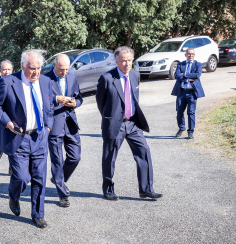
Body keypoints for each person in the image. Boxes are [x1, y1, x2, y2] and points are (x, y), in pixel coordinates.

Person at [0, 50, 53, 229]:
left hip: (40, 136)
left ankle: (38, 214)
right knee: (22, 177)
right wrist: (8, 123)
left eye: (39, 68)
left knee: (40, 178)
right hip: (18, 138)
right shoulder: (8, 82)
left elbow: (50, 106)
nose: (36, 72)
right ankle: (13, 196)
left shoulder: (46, 81)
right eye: (32, 68)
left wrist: (48, 126)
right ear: (23, 65)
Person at [96, 46, 162, 201]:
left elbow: (134, 98)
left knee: (144, 151)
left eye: (130, 60)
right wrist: (111, 118)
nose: (127, 64)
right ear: (117, 61)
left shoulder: (134, 75)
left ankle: (146, 189)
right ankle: (108, 190)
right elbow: (101, 103)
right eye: (124, 60)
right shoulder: (106, 78)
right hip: (114, 124)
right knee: (109, 157)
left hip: (132, 123)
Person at [43, 54, 83, 207]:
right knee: (57, 161)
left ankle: (58, 179)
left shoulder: (72, 78)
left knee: (75, 157)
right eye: (61, 69)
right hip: (54, 126)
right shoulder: (45, 80)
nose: (64, 72)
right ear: (54, 65)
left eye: (67, 69)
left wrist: (75, 103)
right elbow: (41, 100)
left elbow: (79, 97)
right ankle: (62, 194)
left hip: (70, 123)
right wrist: (56, 99)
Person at [171, 48, 205, 139]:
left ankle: (190, 131)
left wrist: (184, 74)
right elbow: (176, 75)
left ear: (194, 55)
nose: (191, 56)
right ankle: (181, 128)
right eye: (189, 54)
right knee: (179, 112)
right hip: (181, 92)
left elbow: (197, 75)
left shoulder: (198, 64)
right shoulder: (180, 64)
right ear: (185, 55)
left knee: (191, 112)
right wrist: (188, 77)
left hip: (192, 93)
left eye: (192, 54)